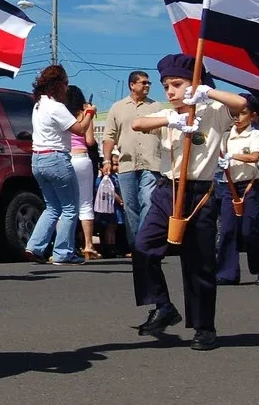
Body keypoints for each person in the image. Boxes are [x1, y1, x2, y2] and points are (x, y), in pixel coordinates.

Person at [130, 54, 246, 351]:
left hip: (200, 193)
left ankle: (204, 327)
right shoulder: (169, 114)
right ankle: (162, 304)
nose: (169, 91)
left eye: (177, 84)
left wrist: (208, 92)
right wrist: (171, 118)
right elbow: (138, 124)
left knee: (199, 264)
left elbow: (241, 105)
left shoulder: (214, 110)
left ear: (193, 84)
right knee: (144, 247)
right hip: (167, 190)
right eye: (166, 85)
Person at [25, 65, 97, 265]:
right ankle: (63, 253)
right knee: (70, 207)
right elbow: (80, 130)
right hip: (56, 159)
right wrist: (90, 112)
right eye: (65, 83)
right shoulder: (56, 107)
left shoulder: (38, 105)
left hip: (37, 159)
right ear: (58, 85)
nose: (67, 88)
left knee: (52, 206)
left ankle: (34, 246)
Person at [102, 71, 162, 247]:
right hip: (126, 164)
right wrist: (106, 160)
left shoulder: (157, 107)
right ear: (132, 85)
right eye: (143, 83)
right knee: (129, 206)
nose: (147, 86)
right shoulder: (117, 108)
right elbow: (109, 136)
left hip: (152, 163)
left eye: (148, 83)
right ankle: (135, 244)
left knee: (148, 200)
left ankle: (144, 243)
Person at [215, 93, 259, 286]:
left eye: (243, 113)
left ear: (253, 115)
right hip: (228, 185)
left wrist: (234, 156)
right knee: (227, 229)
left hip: (250, 185)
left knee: (251, 230)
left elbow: (255, 156)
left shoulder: (256, 134)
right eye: (235, 114)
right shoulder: (225, 136)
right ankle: (227, 272)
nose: (238, 118)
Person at [66, 85, 100, 260]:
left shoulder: (61, 113)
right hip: (82, 158)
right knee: (85, 203)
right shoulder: (85, 113)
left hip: (65, 159)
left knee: (65, 205)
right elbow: (90, 140)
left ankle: (66, 244)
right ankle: (88, 245)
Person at [95, 154, 126, 258]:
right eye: (114, 165)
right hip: (110, 206)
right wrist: (120, 200)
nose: (116, 167)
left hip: (116, 207)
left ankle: (114, 245)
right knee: (109, 227)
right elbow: (110, 191)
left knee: (114, 227)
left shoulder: (116, 177)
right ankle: (109, 247)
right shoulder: (106, 178)